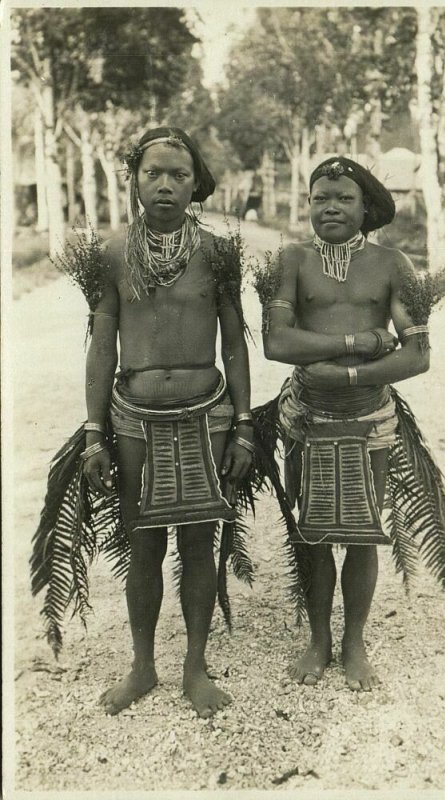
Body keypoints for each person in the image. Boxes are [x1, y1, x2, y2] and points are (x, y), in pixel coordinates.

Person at [81, 126, 253, 717]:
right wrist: (93, 432)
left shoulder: (216, 252)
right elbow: (102, 347)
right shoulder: (109, 253)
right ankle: (142, 665)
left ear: (195, 184)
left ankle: (195, 665)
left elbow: (235, 345)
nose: (164, 185)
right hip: (134, 420)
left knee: (199, 543)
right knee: (145, 541)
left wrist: (247, 424)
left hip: (208, 415)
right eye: (153, 172)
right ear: (133, 180)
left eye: (178, 175)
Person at [262, 155, 431, 692]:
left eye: (344, 199)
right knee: (311, 530)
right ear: (307, 204)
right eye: (320, 198)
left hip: (368, 419)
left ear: (367, 208)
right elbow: (277, 342)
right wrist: (356, 342)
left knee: (362, 533)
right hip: (305, 416)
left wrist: (352, 375)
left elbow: (418, 353)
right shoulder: (290, 260)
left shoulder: (391, 264)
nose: (330, 207)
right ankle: (318, 640)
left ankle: (354, 642)